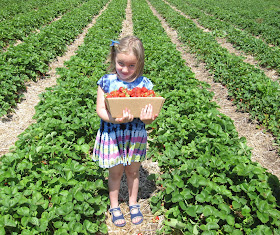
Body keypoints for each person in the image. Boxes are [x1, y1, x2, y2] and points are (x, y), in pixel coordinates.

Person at [92, 36, 158, 227]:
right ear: (114, 58)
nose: (125, 70)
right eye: (121, 63)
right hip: (113, 135)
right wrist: (115, 118)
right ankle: (114, 206)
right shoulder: (106, 82)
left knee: (133, 172)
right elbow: (100, 110)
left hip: (135, 134)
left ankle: (133, 203)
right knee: (115, 173)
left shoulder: (145, 85)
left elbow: (150, 114)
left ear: (140, 63)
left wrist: (147, 118)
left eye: (131, 65)